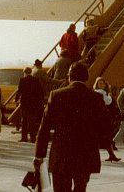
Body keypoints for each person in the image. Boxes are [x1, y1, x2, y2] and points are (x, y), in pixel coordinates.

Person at [34, 62, 111, 192]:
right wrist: (97, 142)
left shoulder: (56, 95)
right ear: (86, 77)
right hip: (86, 154)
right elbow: (107, 126)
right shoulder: (96, 98)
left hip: (61, 154)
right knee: (80, 188)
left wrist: (39, 155)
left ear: (69, 77)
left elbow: (44, 128)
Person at [93, 77, 120, 162]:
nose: (102, 85)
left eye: (103, 83)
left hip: (96, 117)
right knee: (106, 137)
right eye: (100, 83)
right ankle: (111, 155)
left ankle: (111, 155)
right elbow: (107, 102)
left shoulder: (94, 92)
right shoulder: (102, 93)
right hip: (102, 117)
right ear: (97, 84)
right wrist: (110, 97)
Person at [15, 67, 44, 143]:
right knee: (32, 121)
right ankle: (33, 138)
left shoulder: (22, 80)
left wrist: (16, 99)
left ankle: (24, 137)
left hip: (25, 103)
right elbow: (40, 91)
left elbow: (19, 91)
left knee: (24, 120)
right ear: (31, 72)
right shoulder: (36, 80)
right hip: (34, 103)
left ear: (24, 72)